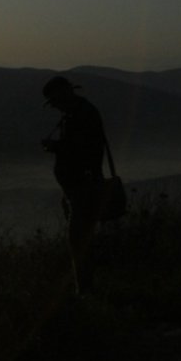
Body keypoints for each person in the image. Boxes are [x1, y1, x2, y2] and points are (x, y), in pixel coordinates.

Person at [42, 75, 105, 296]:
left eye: (55, 102)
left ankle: (84, 290)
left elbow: (80, 150)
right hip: (77, 186)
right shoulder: (81, 112)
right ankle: (85, 286)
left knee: (78, 238)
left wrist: (56, 147)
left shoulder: (80, 115)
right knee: (80, 237)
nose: (55, 107)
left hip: (81, 186)